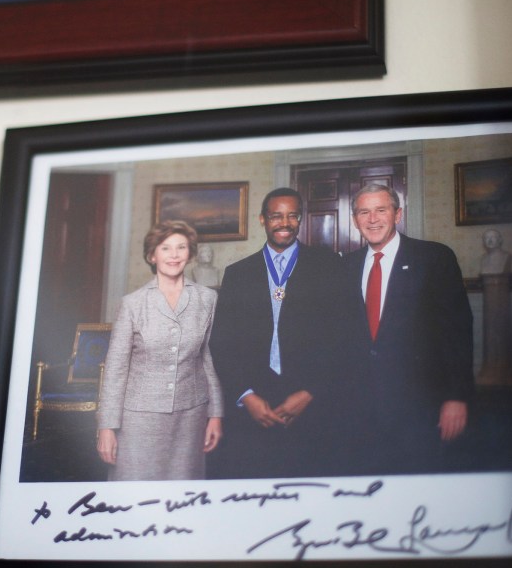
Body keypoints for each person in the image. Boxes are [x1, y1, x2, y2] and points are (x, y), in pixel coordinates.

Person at [209, 187, 347, 478]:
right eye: (276, 216)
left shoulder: (329, 266)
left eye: (292, 216)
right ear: (263, 220)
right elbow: (222, 343)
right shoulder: (238, 273)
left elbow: (343, 337)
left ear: (301, 219)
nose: (284, 223)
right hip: (253, 404)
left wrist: (311, 392)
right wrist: (246, 396)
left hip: (311, 402)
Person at [344, 184, 474, 474]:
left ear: (398, 214)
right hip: (361, 409)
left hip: (421, 404)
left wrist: (456, 396)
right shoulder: (345, 267)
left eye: (381, 210)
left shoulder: (434, 258)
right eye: (364, 212)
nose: (373, 219)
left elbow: (457, 330)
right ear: (355, 220)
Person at [96, 220, 224, 480]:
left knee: (183, 497)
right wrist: (107, 427)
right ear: (152, 255)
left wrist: (216, 414)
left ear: (190, 254)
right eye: (165, 248)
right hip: (139, 421)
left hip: (190, 418)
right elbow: (115, 369)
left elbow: (208, 360)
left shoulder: (207, 299)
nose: (174, 255)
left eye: (181, 247)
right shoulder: (132, 304)